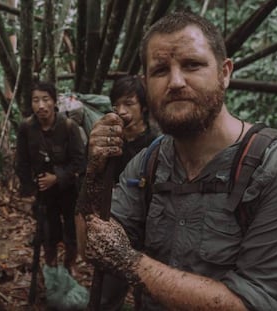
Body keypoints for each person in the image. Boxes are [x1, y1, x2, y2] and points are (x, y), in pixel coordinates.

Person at [75, 10, 277, 311]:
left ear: (225, 72)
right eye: (161, 70)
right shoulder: (148, 163)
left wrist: (130, 262)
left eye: (192, 65)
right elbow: (91, 246)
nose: (176, 82)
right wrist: (95, 173)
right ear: (145, 82)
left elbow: (255, 303)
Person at [100, 75, 158, 310]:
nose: (121, 111)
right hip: (119, 225)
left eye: (129, 104)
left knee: (148, 293)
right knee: (109, 292)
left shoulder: (156, 143)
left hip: (152, 225)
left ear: (143, 106)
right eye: (116, 105)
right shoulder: (110, 140)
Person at [15, 80, 85, 273]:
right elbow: (21, 161)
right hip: (43, 191)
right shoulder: (27, 128)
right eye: (36, 100)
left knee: (71, 230)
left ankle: (70, 264)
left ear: (54, 102)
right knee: (47, 230)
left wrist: (57, 177)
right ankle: (51, 265)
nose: (41, 105)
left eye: (45, 99)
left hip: (68, 189)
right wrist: (29, 188)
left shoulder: (69, 127)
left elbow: (80, 162)